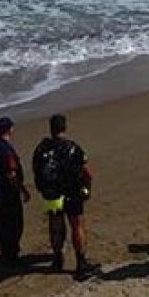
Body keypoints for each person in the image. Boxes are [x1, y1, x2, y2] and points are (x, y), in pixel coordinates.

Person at [32, 114, 97, 279]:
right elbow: (87, 171)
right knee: (76, 225)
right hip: (72, 192)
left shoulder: (42, 149)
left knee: (55, 225)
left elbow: (36, 171)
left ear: (51, 129)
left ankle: (57, 259)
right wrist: (87, 188)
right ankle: (81, 262)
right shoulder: (72, 147)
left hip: (52, 193)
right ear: (64, 128)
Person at [0, 117, 30, 266]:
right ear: (10, 129)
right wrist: (21, 189)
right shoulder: (7, 150)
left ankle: (4, 250)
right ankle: (12, 253)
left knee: (3, 219)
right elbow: (12, 173)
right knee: (15, 221)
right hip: (8, 189)